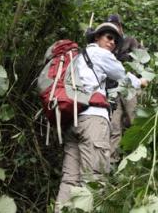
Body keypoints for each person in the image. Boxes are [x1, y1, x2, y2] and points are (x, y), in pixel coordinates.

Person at [55, 22, 147, 212]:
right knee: (94, 180)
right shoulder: (100, 54)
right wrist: (141, 82)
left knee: (70, 179)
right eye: (108, 37)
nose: (112, 42)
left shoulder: (79, 57)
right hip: (93, 122)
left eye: (115, 40)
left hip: (73, 121)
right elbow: (122, 76)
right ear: (97, 37)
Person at [105, 14, 145, 163]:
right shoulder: (108, 43)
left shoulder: (130, 41)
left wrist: (140, 82)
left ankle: (135, 160)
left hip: (130, 85)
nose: (115, 28)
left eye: (117, 25)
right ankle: (112, 162)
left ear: (121, 27)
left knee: (133, 121)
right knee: (114, 125)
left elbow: (141, 61)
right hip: (113, 89)